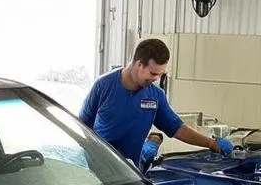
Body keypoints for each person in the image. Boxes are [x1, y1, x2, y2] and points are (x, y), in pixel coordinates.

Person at [79, 38, 233, 166]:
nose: (156, 79)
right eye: (153, 73)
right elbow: (80, 127)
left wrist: (211, 144)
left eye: (160, 74)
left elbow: (177, 128)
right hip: (98, 169)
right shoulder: (103, 86)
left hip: (131, 171)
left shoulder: (155, 95)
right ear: (139, 64)